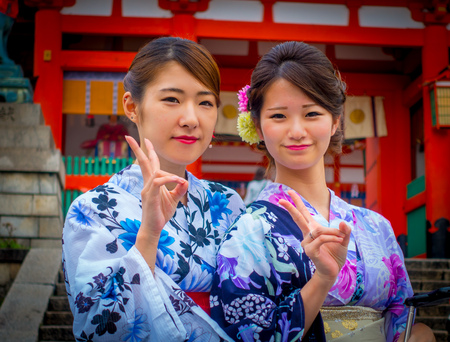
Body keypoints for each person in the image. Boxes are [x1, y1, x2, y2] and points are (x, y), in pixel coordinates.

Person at [210, 41, 435, 342]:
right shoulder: (249, 231)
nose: (297, 131)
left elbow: (400, 311)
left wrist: (417, 333)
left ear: (335, 121)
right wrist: (323, 279)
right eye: (278, 116)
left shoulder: (377, 227)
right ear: (259, 128)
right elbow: (246, 333)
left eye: (312, 113)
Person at [62, 37, 245, 341]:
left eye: (205, 102)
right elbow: (100, 327)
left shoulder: (228, 204)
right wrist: (148, 235)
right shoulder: (93, 209)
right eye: (172, 99)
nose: (191, 119)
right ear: (132, 106)